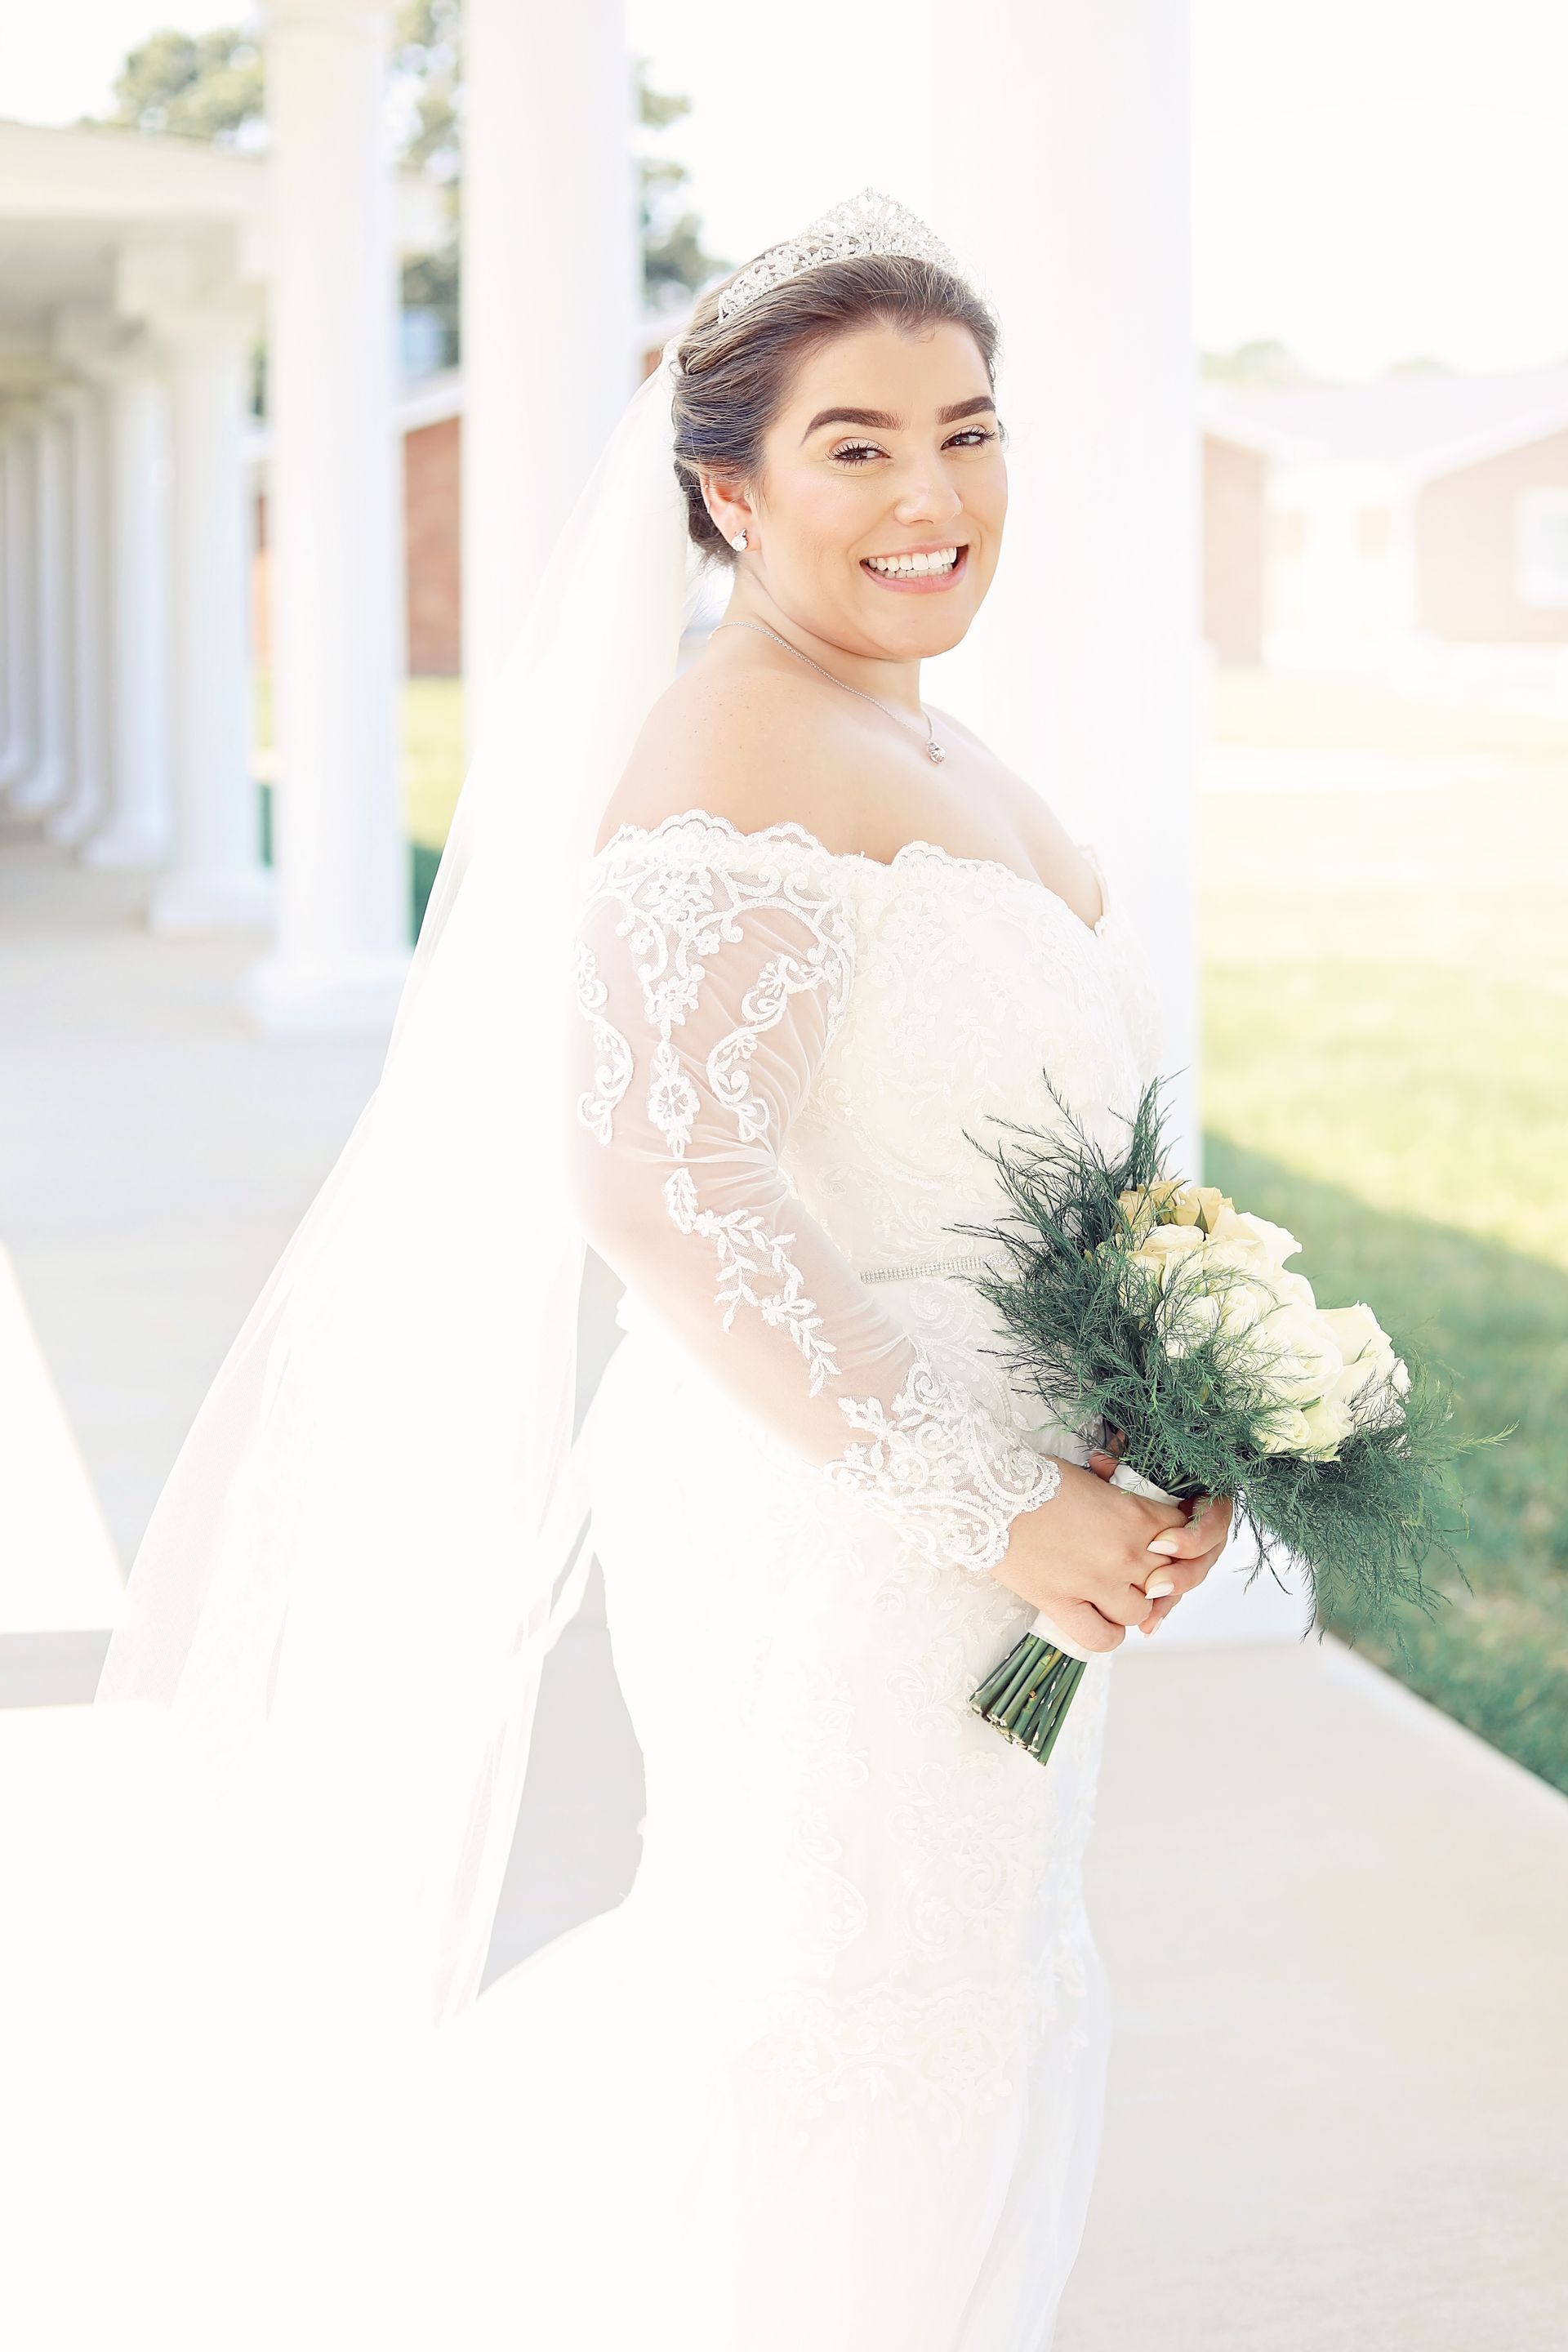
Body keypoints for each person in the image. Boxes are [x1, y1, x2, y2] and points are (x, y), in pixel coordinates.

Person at [2, 191, 1232, 2351]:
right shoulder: (740, 737)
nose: (933, 491)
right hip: (846, 1526)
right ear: (723, 487)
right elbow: (669, 1181)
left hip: (1007, 1526)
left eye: (969, 427)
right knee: (832, 2013)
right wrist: (1006, 1500)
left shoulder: (940, 739)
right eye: (855, 444)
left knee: (960, 1994)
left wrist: (1184, 1407)